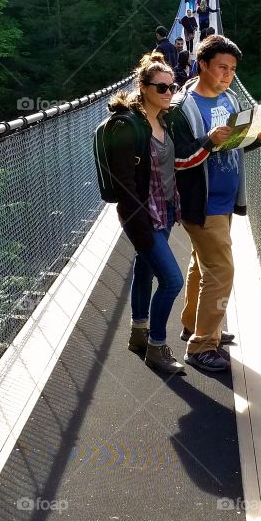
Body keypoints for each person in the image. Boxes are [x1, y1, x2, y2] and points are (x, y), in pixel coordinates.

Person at [167, 34, 261, 373]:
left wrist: (257, 139)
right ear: (202, 65)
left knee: (203, 265)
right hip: (202, 201)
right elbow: (178, 159)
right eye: (221, 67)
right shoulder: (182, 107)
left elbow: (235, 144)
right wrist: (208, 142)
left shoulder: (229, 99)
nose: (227, 75)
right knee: (222, 270)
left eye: (232, 69)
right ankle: (202, 345)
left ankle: (195, 325)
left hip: (226, 198)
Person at [99, 53, 198, 376]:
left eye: (172, 87)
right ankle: (157, 347)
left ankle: (138, 333)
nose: (169, 93)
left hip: (167, 209)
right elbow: (124, 186)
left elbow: (186, 155)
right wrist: (140, 228)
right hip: (142, 216)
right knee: (171, 280)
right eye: (161, 88)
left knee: (145, 269)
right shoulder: (126, 127)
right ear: (142, 87)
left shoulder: (166, 119)